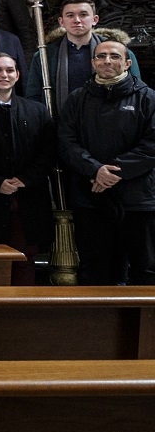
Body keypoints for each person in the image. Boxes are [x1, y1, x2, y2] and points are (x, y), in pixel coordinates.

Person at [57, 39, 155, 284]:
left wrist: (112, 172)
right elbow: (66, 141)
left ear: (127, 63)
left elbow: (151, 145)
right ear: (93, 63)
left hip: (137, 199)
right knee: (93, 270)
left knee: (145, 269)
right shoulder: (77, 98)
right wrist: (95, 169)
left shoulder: (148, 98)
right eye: (101, 56)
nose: (107, 61)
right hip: (90, 196)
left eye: (114, 56)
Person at [0, 53, 56, 283]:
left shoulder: (37, 110)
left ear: (18, 75)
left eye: (9, 70)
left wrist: (26, 179)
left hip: (28, 197)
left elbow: (49, 152)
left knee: (24, 260)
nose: (4, 75)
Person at [26, 0, 142, 107]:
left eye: (83, 15)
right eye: (70, 15)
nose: (77, 20)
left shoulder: (119, 53)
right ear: (61, 22)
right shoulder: (45, 56)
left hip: (109, 116)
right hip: (61, 118)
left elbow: (136, 91)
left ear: (95, 19)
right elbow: (33, 96)